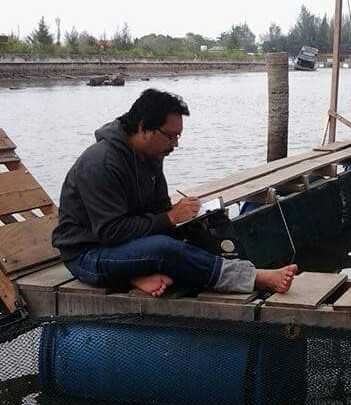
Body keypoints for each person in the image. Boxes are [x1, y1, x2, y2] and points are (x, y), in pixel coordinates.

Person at [52, 89, 296, 297]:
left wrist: (185, 219)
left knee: (200, 230)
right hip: (89, 255)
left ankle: (136, 274)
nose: (175, 144)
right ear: (143, 128)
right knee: (164, 249)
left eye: (178, 136)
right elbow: (110, 232)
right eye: (171, 136)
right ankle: (255, 279)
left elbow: (159, 208)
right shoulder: (101, 164)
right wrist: (169, 218)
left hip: (127, 246)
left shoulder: (151, 155)